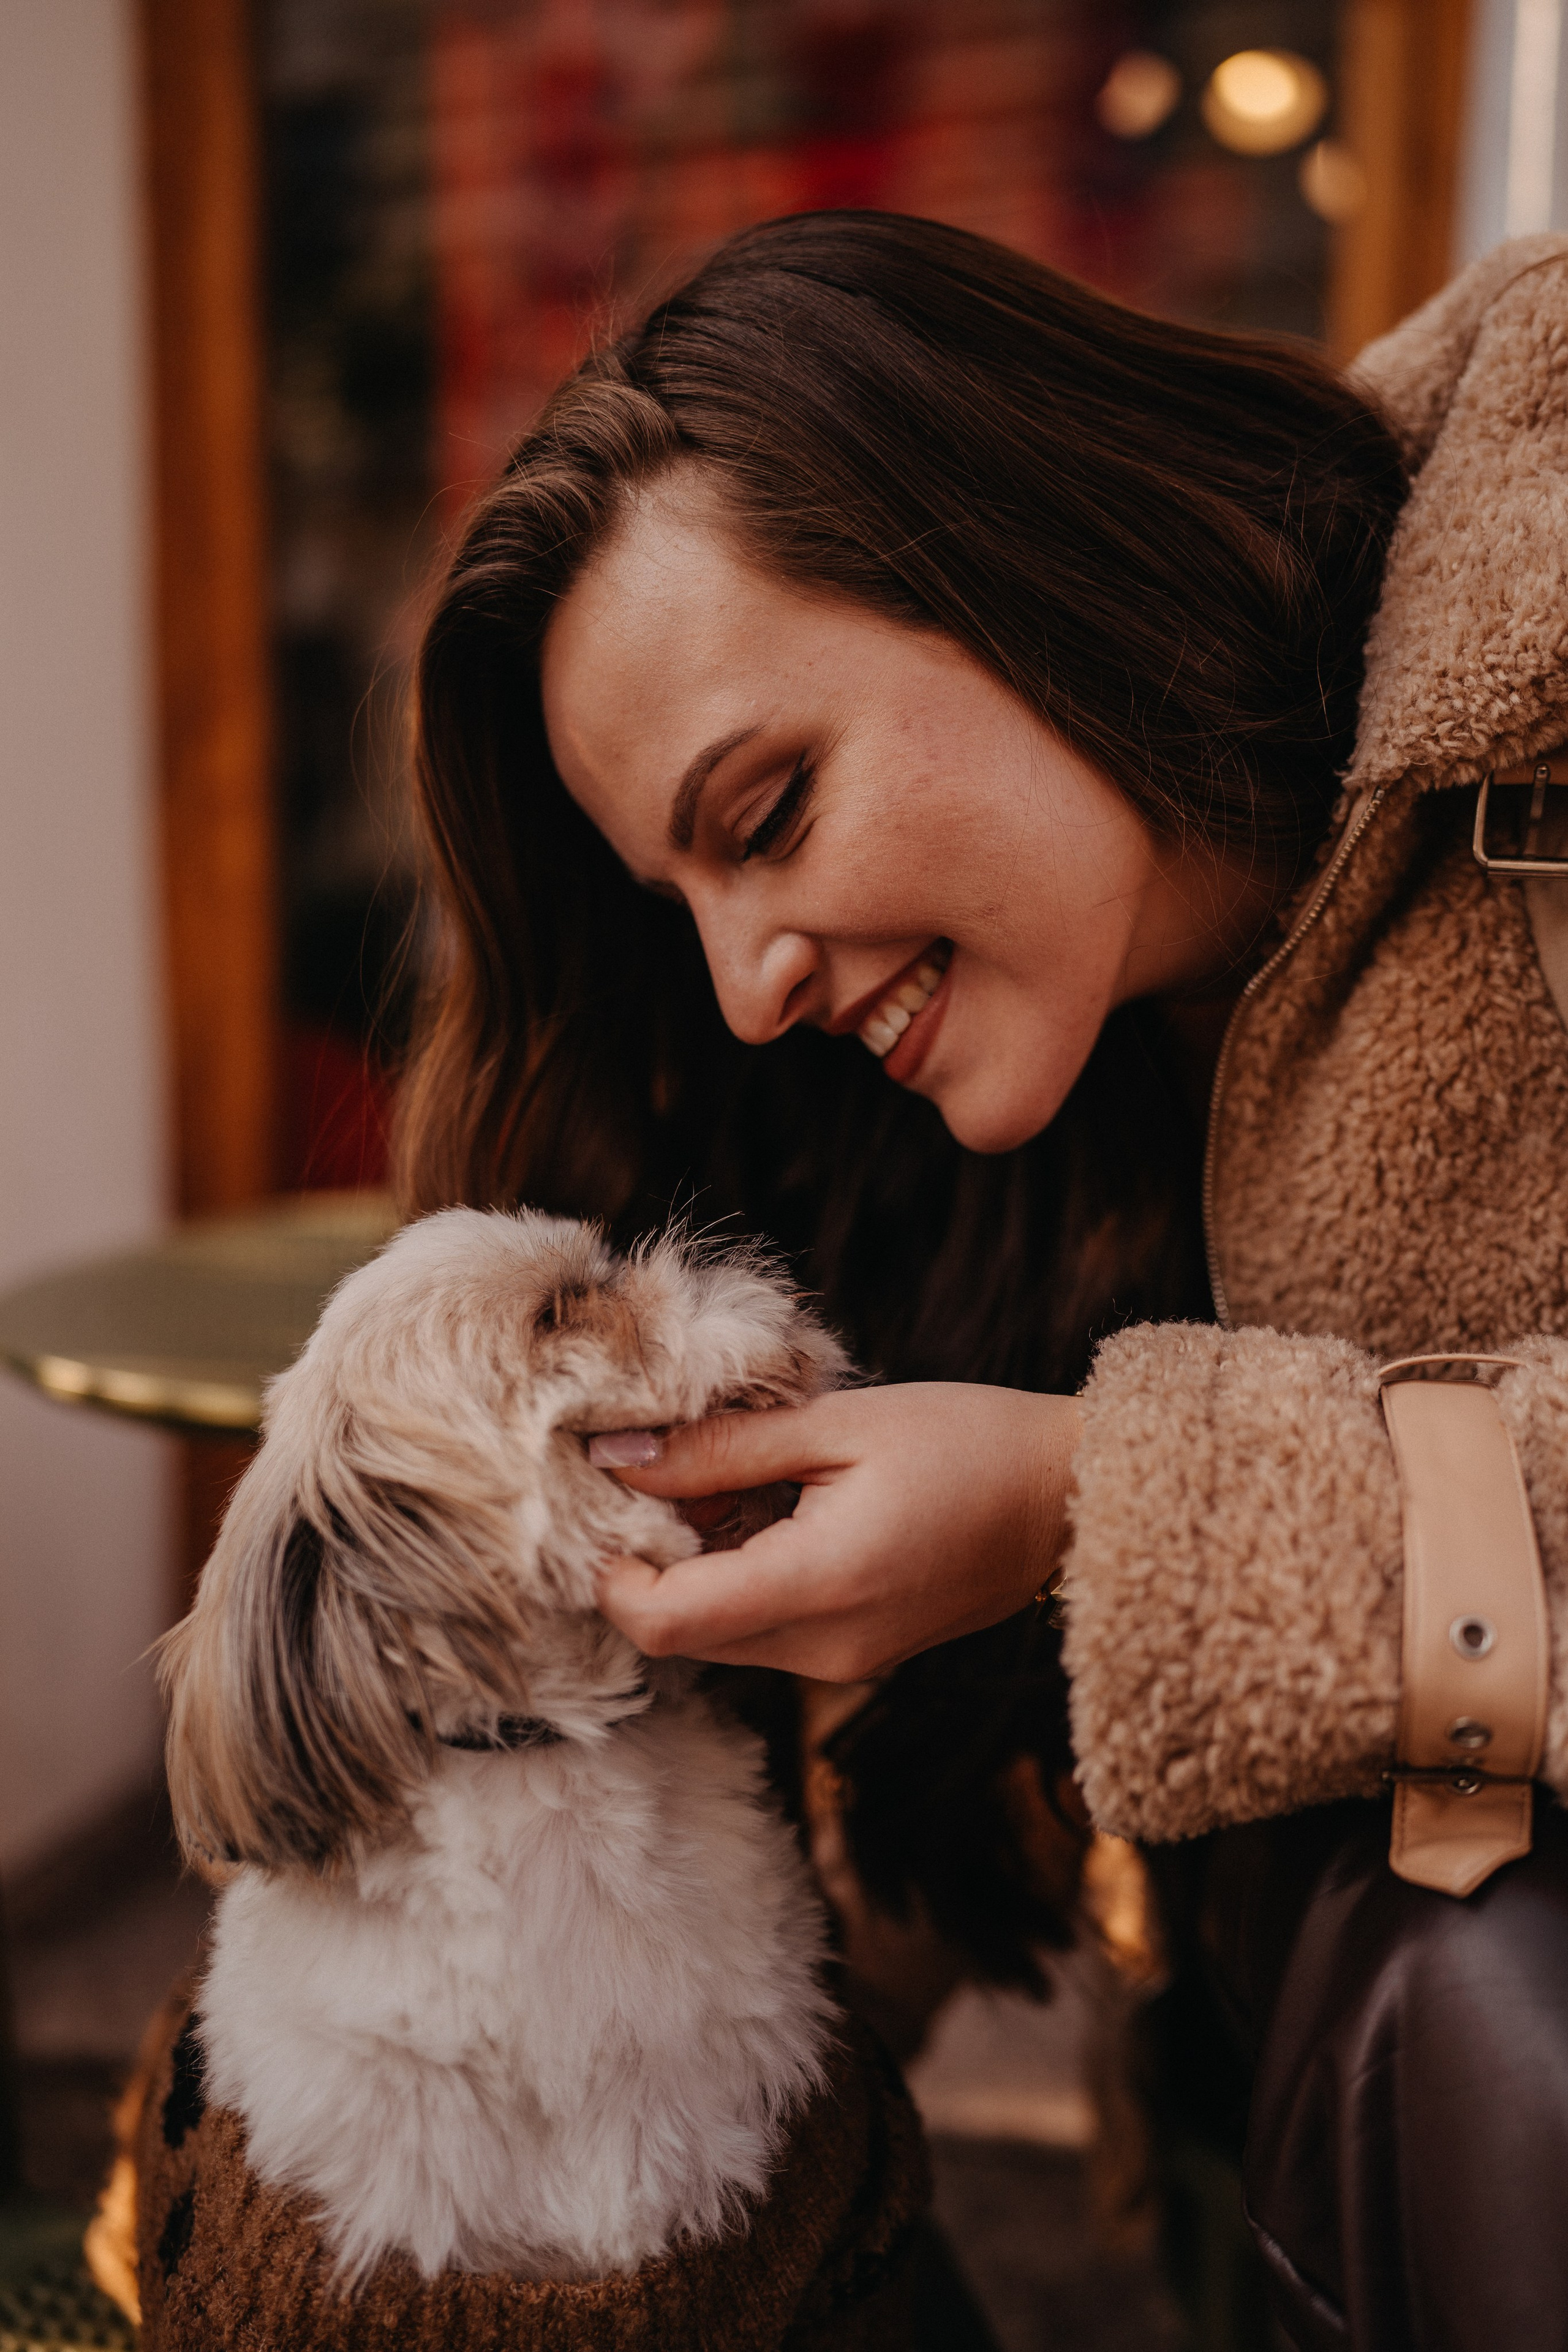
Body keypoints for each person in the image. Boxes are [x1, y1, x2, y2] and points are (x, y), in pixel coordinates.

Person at [396, 212, 1568, 2348]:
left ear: (1025, 549)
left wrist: (1094, 1505)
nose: (747, 992)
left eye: (769, 813)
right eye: (681, 907)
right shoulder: (1080, 1098)